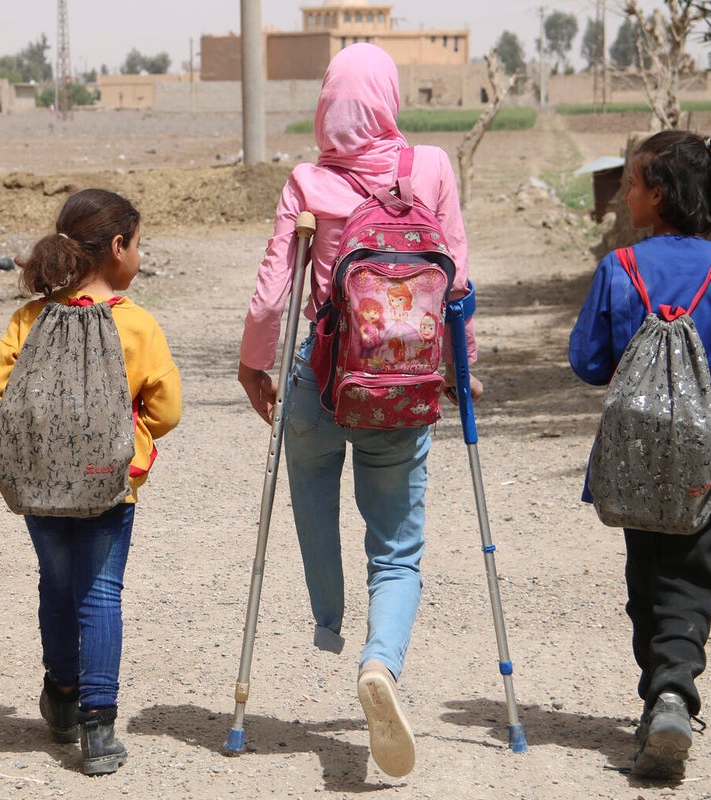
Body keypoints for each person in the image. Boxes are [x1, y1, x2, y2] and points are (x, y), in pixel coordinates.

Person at [238, 43, 480, 779]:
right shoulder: (432, 168)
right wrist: (455, 375)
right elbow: (458, 280)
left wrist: (254, 364)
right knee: (397, 547)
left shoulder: (308, 179)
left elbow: (275, 289)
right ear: (389, 97)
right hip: (400, 391)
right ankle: (380, 663)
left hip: (319, 382)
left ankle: (327, 621)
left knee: (313, 503)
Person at [569, 131, 711, 780]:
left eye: (632, 185)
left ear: (656, 196)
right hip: (708, 464)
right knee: (692, 585)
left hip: (636, 463)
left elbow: (587, 362)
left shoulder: (619, 269)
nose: (625, 196)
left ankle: (657, 699)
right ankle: (673, 696)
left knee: (647, 583)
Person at [0, 188, 182, 775]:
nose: (139, 257)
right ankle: (99, 729)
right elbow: (166, 412)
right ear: (117, 248)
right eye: (138, 245)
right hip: (109, 485)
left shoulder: (31, 317)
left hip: (40, 486)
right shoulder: (137, 325)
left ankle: (62, 699)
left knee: (56, 584)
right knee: (100, 594)